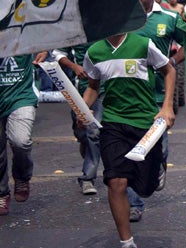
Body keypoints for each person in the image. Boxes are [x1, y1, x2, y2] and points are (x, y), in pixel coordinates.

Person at [82, 32, 176, 248]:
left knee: (145, 188)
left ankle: (157, 168)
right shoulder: (94, 52)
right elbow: (93, 86)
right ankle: (127, 242)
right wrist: (83, 109)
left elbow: (169, 70)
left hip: (145, 122)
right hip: (113, 122)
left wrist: (167, 106)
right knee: (116, 181)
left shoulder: (143, 44)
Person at [127, 0, 186, 222]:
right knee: (130, 151)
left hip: (158, 98)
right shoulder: (120, 18)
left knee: (157, 149)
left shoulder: (169, 18)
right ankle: (134, 203)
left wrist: (171, 62)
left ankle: (159, 165)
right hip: (128, 97)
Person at [0, 52, 47, 216]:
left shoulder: (21, 32)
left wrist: (45, 50)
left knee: (20, 141)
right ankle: (2, 193)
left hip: (21, 95)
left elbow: (48, 37)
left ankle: (21, 176)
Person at [52, 45, 103, 195]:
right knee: (83, 133)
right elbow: (57, 54)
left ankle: (87, 178)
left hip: (105, 89)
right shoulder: (75, 33)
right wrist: (74, 67)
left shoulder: (108, 34)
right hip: (81, 88)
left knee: (94, 132)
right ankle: (84, 143)